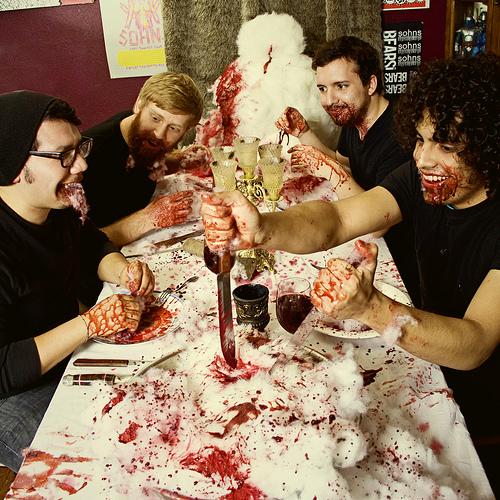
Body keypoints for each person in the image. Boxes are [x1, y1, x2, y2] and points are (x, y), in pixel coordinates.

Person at [202, 54, 500, 489]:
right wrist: (264, 228)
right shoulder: (419, 178)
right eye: (420, 141)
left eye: (448, 147)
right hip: (425, 362)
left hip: (480, 404)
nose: (424, 159)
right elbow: (338, 219)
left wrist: (373, 308)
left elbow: (475, 342)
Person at [0, 90, 155, 472]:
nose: (82, 164)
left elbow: (90, 244)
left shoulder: (58, 205)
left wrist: (122, 270)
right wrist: (89, 323)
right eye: (64, 155)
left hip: (71, 351)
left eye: (80, 148)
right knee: (99, 466)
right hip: (12, 395)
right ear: (17, 166)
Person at [275, 36, 419, 306]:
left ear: (371, 84)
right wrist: (303, 132)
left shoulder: (400, 135)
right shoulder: (356, 118)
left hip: (400, 266)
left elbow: (378, 225)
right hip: (365, 242)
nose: (329, 100)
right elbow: (342, 163)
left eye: (341, 86)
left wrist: (328, 169)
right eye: (322, 89)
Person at [82, 71, 205, 247]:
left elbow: (137, 166)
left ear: (186, 131)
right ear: (139, 105)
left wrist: (179, 162)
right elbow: (78, 244)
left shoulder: (138, 135)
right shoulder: (86, 158)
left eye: (174, 128)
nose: (159, 133)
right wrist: (148, 218)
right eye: (155, 118)